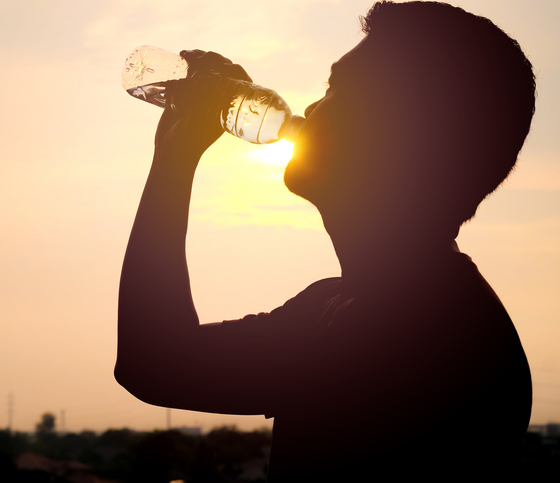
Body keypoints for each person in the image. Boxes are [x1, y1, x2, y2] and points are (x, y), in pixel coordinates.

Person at [115, 1, 536, 480]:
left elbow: (156, 364)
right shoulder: (339, 305)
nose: (311, 107)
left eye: (338, 88)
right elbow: (153, 363)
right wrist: (175, 148)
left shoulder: (428, 331)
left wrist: (174, 157)